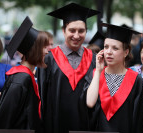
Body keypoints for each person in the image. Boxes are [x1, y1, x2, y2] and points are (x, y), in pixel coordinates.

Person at [36, 3, 100, 133]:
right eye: (72, 30)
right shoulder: (48, 59)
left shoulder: (94, 59)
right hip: (55, 126)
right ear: (63, 30)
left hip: (86, 127)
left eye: (81, 31)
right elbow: (42, 98)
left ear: (86, 31)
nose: (76, 36)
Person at [0, 16, 49, 133]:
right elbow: (3, 121)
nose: (47, 51)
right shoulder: (21, 79)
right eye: (44, 47)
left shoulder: (26, 76)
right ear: (34, 50)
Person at [86, 23, 143, 133]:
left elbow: (139, 119)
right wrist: (99, 71)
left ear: (126, 52)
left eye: (115, 48)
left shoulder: (135, 80)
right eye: (106, 47)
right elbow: (90, 104)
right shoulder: (95, 74)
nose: (108, 52)